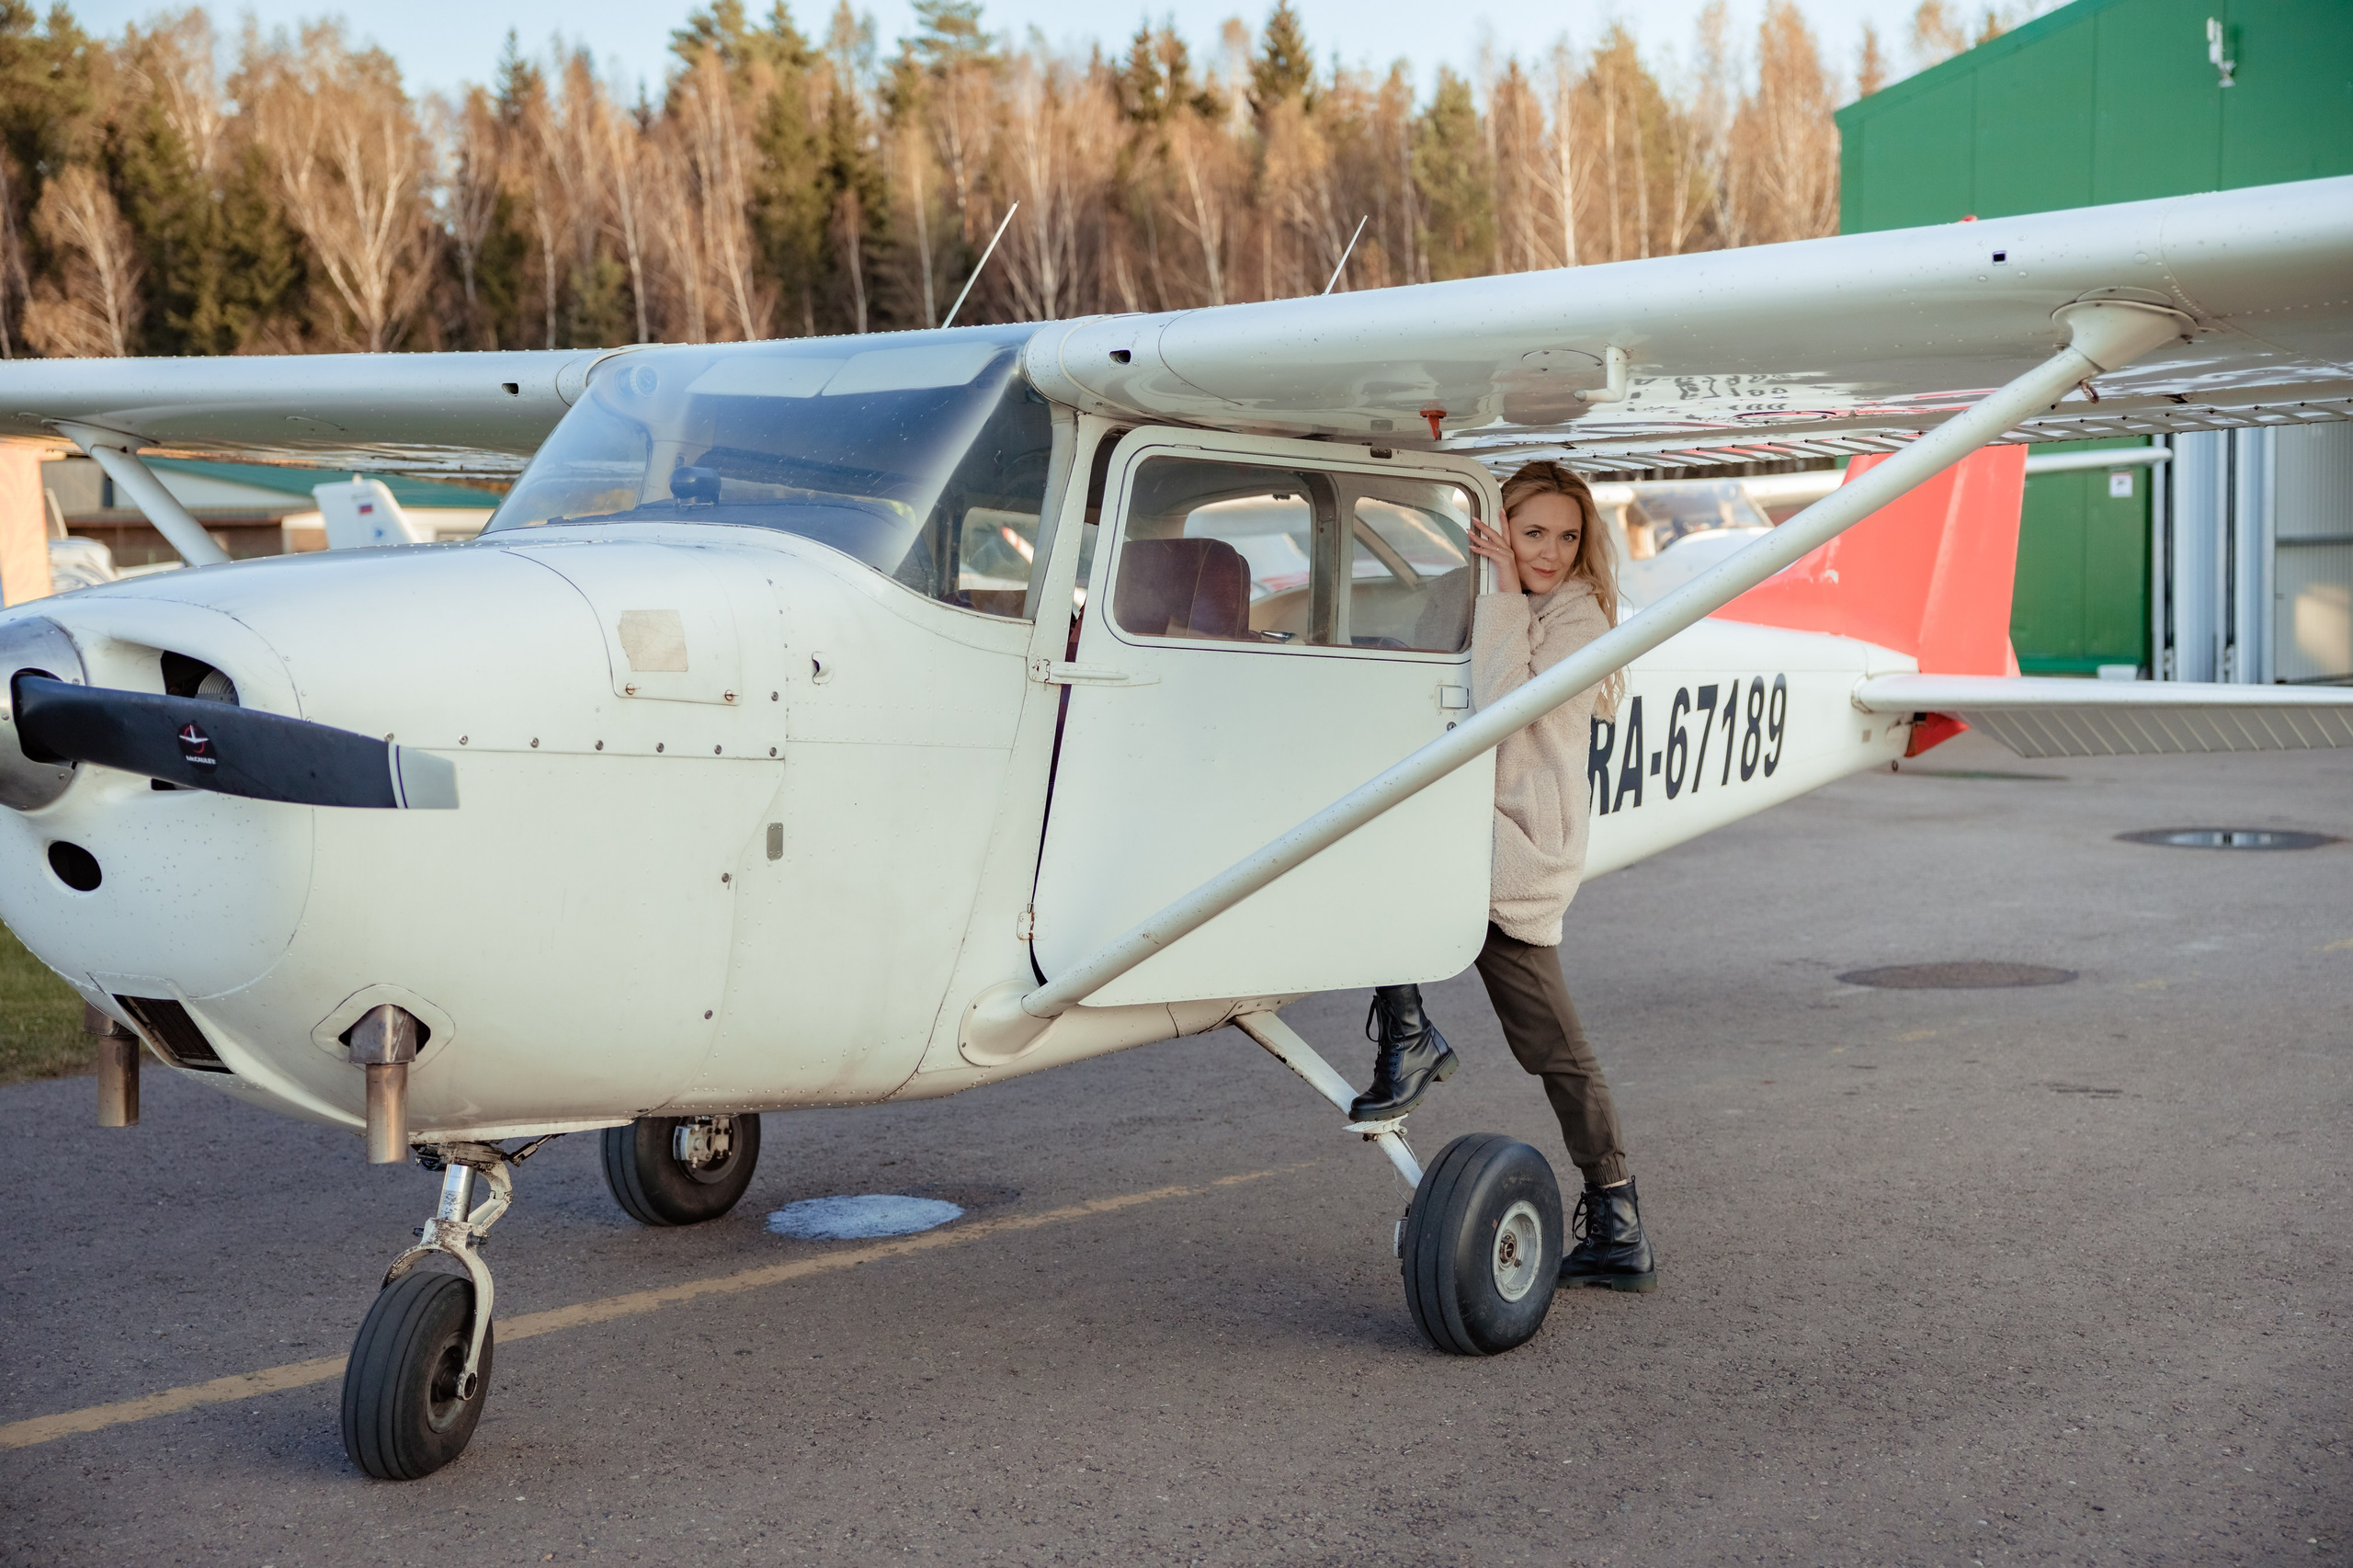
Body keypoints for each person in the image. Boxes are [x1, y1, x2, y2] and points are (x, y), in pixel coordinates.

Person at [1347, 460, 1656, 1293]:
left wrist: (1501, 586)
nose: (1550, 552)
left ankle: (1619, 1222)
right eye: (1531, 534)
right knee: (1369, 840)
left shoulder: (1581, 617)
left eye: (1566, 536)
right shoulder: (1488, 594)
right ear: (1497, 529)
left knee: (1557, 1052)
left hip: (1516, 846)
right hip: (1465, 829)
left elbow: (1501, 698)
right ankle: (1408, 1030)